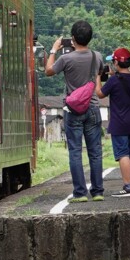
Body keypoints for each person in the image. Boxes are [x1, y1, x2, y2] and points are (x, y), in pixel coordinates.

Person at [45, 20, 105, 202]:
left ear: (72, 39)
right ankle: (98, 192)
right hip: (93, 107)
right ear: (90, 38)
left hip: (73, 110)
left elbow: (48, 71)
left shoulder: (66, 59)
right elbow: (99, 76)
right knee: (95, 151)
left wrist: (54, 49)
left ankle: (80, 193)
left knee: (75, 151)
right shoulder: (97, 56)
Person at [99, 47, 130, 197]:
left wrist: (97, 77)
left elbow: (100, 94)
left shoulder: (113, 80)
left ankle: (127, 187)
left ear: (116, 62)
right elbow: (124, 80)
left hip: (119, 123)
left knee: (123, 154)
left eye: (113, 61)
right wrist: (115, 74)